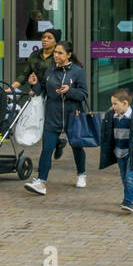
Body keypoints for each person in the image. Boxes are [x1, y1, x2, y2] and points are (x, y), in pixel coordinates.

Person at [24, 41, 89, 195]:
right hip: (52, 115)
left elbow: (83, 94)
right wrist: (33, 85)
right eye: (55, 52)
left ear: (68, 55)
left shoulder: (78, 71)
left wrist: (69, 91)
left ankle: (81, 174)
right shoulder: (49, 71)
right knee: (47, 149)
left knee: (77, 146)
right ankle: (41, 182)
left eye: (60, 53)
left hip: (73, 115)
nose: (56, 55)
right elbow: (42, 90)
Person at [99, 87, 133, 213]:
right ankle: (127, 197)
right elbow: (105, 132)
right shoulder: (110, 116)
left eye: (115, 104)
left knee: (129, 176)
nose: (113, 106)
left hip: (131, 153)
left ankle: (129, 202)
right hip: (119, 152)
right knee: (124, 176)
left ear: (125, 103)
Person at [16, 27, 60, 93]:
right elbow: (24, 75)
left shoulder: (59, 56)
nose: (45, 39)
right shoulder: (34, 54)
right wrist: (11, 88)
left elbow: (59, 78)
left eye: (49, 38)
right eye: (43, 37)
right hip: (36, 92)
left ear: (55, 42)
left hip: (53, 93)